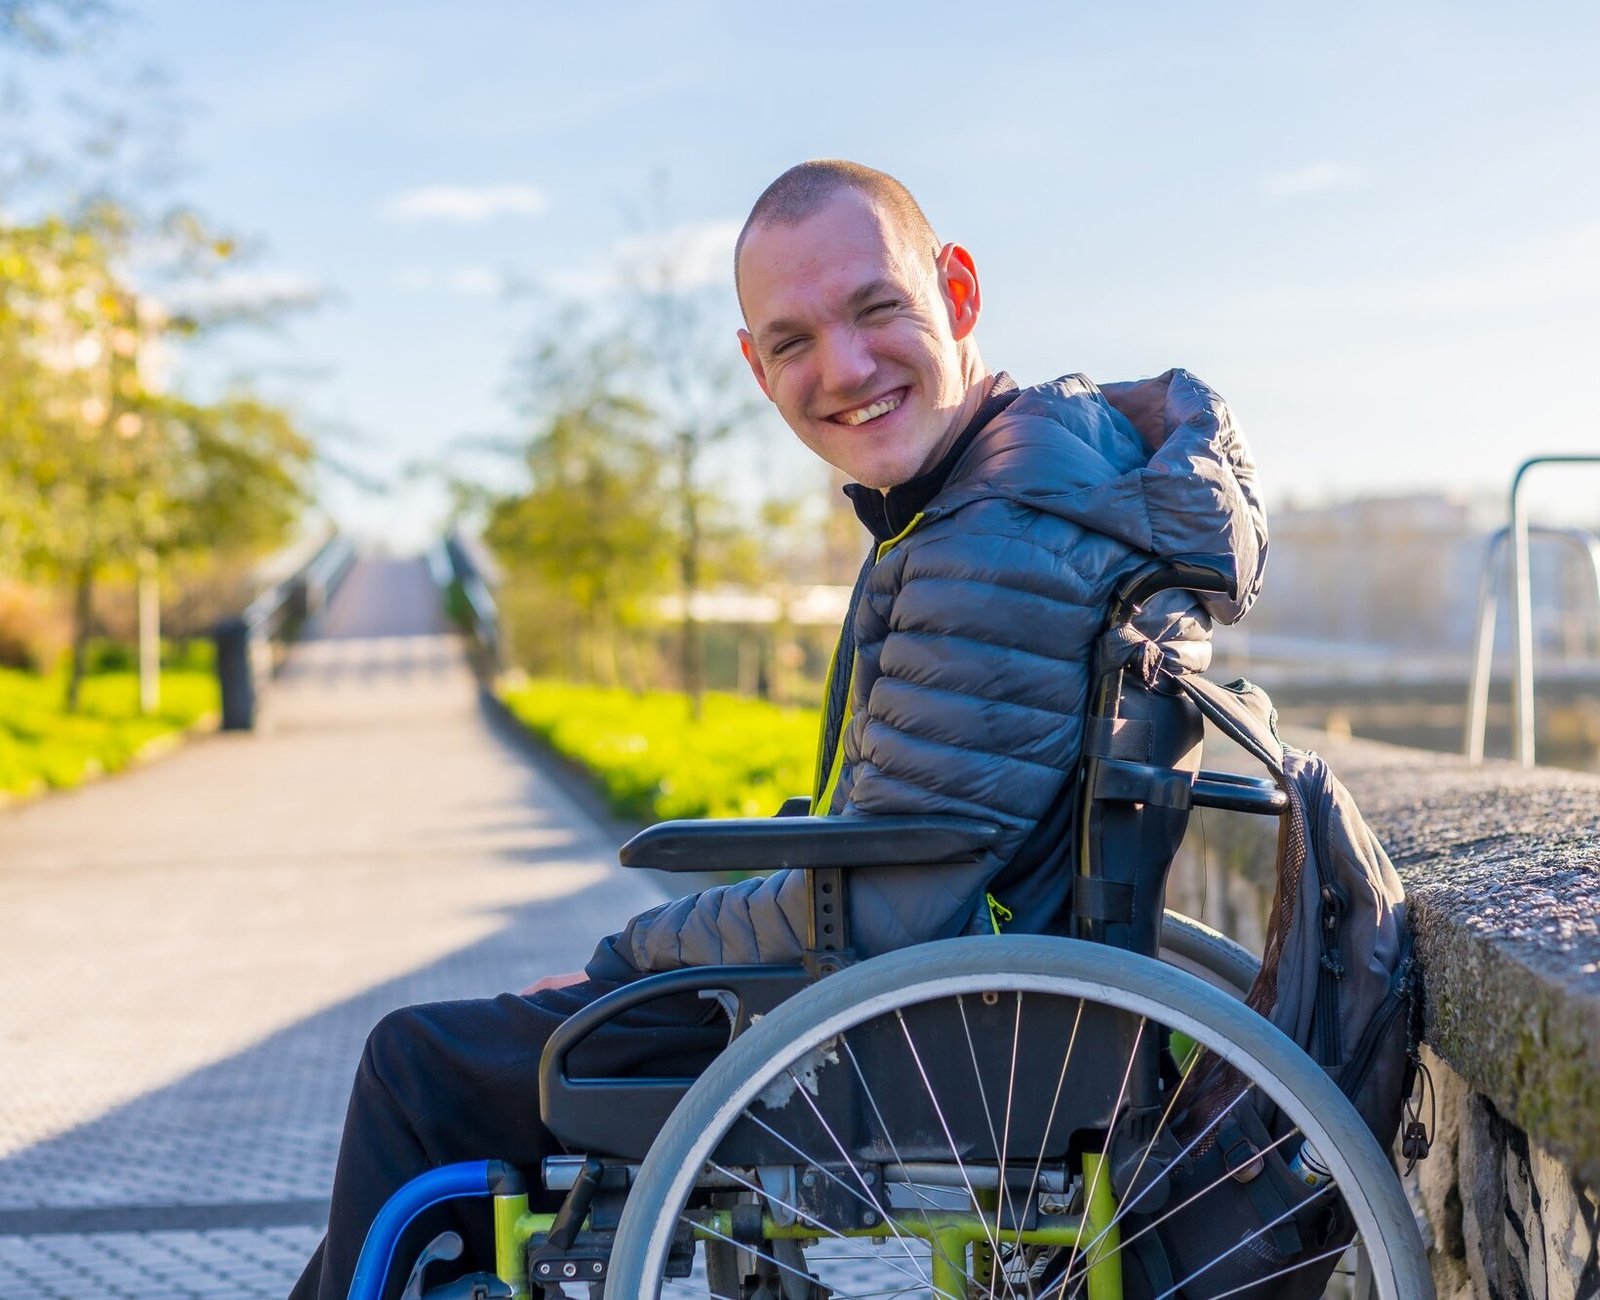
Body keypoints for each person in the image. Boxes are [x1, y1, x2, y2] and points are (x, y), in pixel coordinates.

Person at [289, 159, 1267, 1299]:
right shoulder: (1036, 482)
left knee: (417, 1066)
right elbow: (913, 847)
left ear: (956, 292)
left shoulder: (991, 537)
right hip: (979, 1009)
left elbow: (896, 899)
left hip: (907, 1039)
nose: (842, 369)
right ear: (755, 369)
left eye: (874, 308)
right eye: (793, 341)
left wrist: (627, 963)